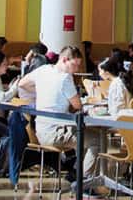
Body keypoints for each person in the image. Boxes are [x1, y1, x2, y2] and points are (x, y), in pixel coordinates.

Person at [9, 47, 88, 185]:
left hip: (40, 131)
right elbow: (78, 106)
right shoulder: (65, 78)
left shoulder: (43, 70)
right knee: (93, 140)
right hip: (55, 132)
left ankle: (79, 174)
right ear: (64, 60)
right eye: (74, 64)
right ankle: (83, 180)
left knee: (89, 137)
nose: (76, 69)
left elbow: (21, 84)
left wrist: (40, 91)